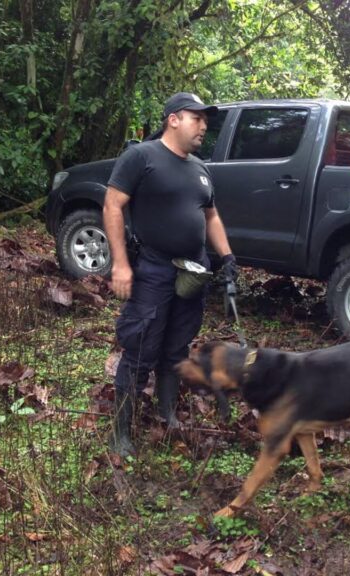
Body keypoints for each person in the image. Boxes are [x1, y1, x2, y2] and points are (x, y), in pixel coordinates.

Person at [103, 92, 238, 456]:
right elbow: (113, 205)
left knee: (177, 347)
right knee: (141, 347)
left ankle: (167, 414)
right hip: (153, 267)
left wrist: (226, 257)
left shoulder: (200, 168)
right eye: (198, 119)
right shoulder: (141, 157)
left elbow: (211, 216)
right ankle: (120, 432)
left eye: (206, 121)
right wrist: (120, 264)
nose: (204, 126)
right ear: (174, 119)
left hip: (193, 271)